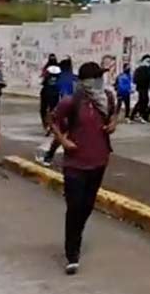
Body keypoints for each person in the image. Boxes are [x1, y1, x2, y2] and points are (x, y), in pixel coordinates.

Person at [50, 61, 116, 274]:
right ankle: (72, 252)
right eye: (96, 77)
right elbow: (54, 121)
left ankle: (77, 233)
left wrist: (113, 124)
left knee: (87, 206)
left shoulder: (107, 99)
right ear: (86, 81)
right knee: (75, 205)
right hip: (75, 162)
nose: (99, 81)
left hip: (99, 160)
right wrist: (63, 140)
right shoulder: (71, 101)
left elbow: (114, 115)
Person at [132, 56, 150, 124]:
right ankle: (140, 115)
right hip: (142, 87)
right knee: (143, 101)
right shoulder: (141, 69)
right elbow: (136, 79)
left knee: (142, 101)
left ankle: (135, 115)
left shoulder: (146, 69)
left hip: (144, 87)